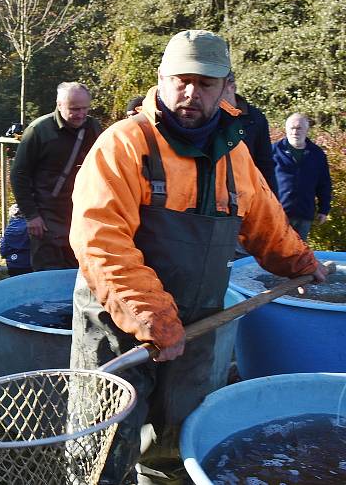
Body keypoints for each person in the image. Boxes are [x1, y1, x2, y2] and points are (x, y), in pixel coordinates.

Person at [69, 29, 327, 485]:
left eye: (205, 83)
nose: (191, 94)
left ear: (227, 87)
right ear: (162, 79)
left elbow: (266, 222)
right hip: (119, 322)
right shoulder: (126, 143)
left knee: (176, 436)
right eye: (181, 81)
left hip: (197, 323)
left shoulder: (234, 154)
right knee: (103, 443)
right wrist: (151, 317)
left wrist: (300, 263)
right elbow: (100, 240)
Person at [10, 82, 102, 271]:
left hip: (80, 216)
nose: (81, 114)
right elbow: (19, 174)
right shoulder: (39, 130)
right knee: (47, 278)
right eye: (75, 109)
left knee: (79, 276)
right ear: (60, 105)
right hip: (46, 217)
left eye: (85, 108)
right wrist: (32, 215)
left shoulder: (93, 128)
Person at [273, 113, 332, 241]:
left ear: (306, 130)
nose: (295, 132)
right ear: (286, 129)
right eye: (291, 128)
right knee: (275, 253)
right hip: (276, 214)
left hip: (304, 214)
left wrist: (324, 209)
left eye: (299, 128)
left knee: (298, 255)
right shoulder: (273, 151)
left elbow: (324, 184)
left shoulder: (317, 154)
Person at [222, 72, 278, 194]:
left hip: (247, 194)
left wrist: (273, 203)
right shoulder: (206, 115)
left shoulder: (256, 118)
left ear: (231, 86)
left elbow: (265, 165)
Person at [0, 203, 32, 276]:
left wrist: (5, 255)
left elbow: (4, 247)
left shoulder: (8, 229)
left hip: (12, 263)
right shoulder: (31, 226)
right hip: (28, 261)